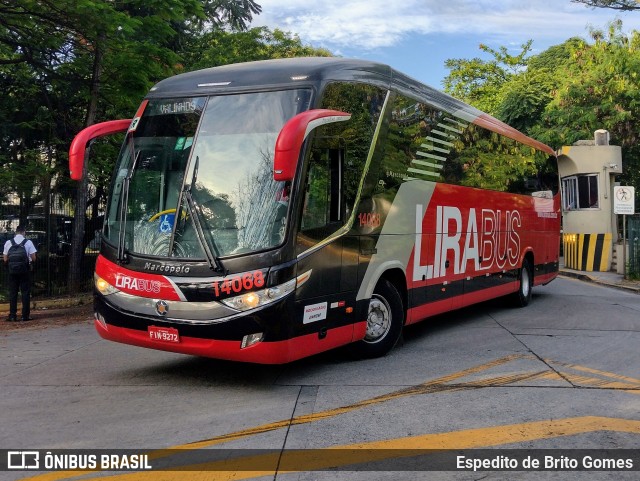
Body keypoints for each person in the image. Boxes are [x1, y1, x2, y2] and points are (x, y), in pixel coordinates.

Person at [3, 224, 37, 321]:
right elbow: (34, 258)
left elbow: (5, 259)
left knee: (13, 293)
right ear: (24, 232)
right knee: (25, 292)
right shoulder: (28, 242)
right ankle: (25, 316)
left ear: (15, 232)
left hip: (12, 271)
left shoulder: (8, 242)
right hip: (24, 271)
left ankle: (12, 315)